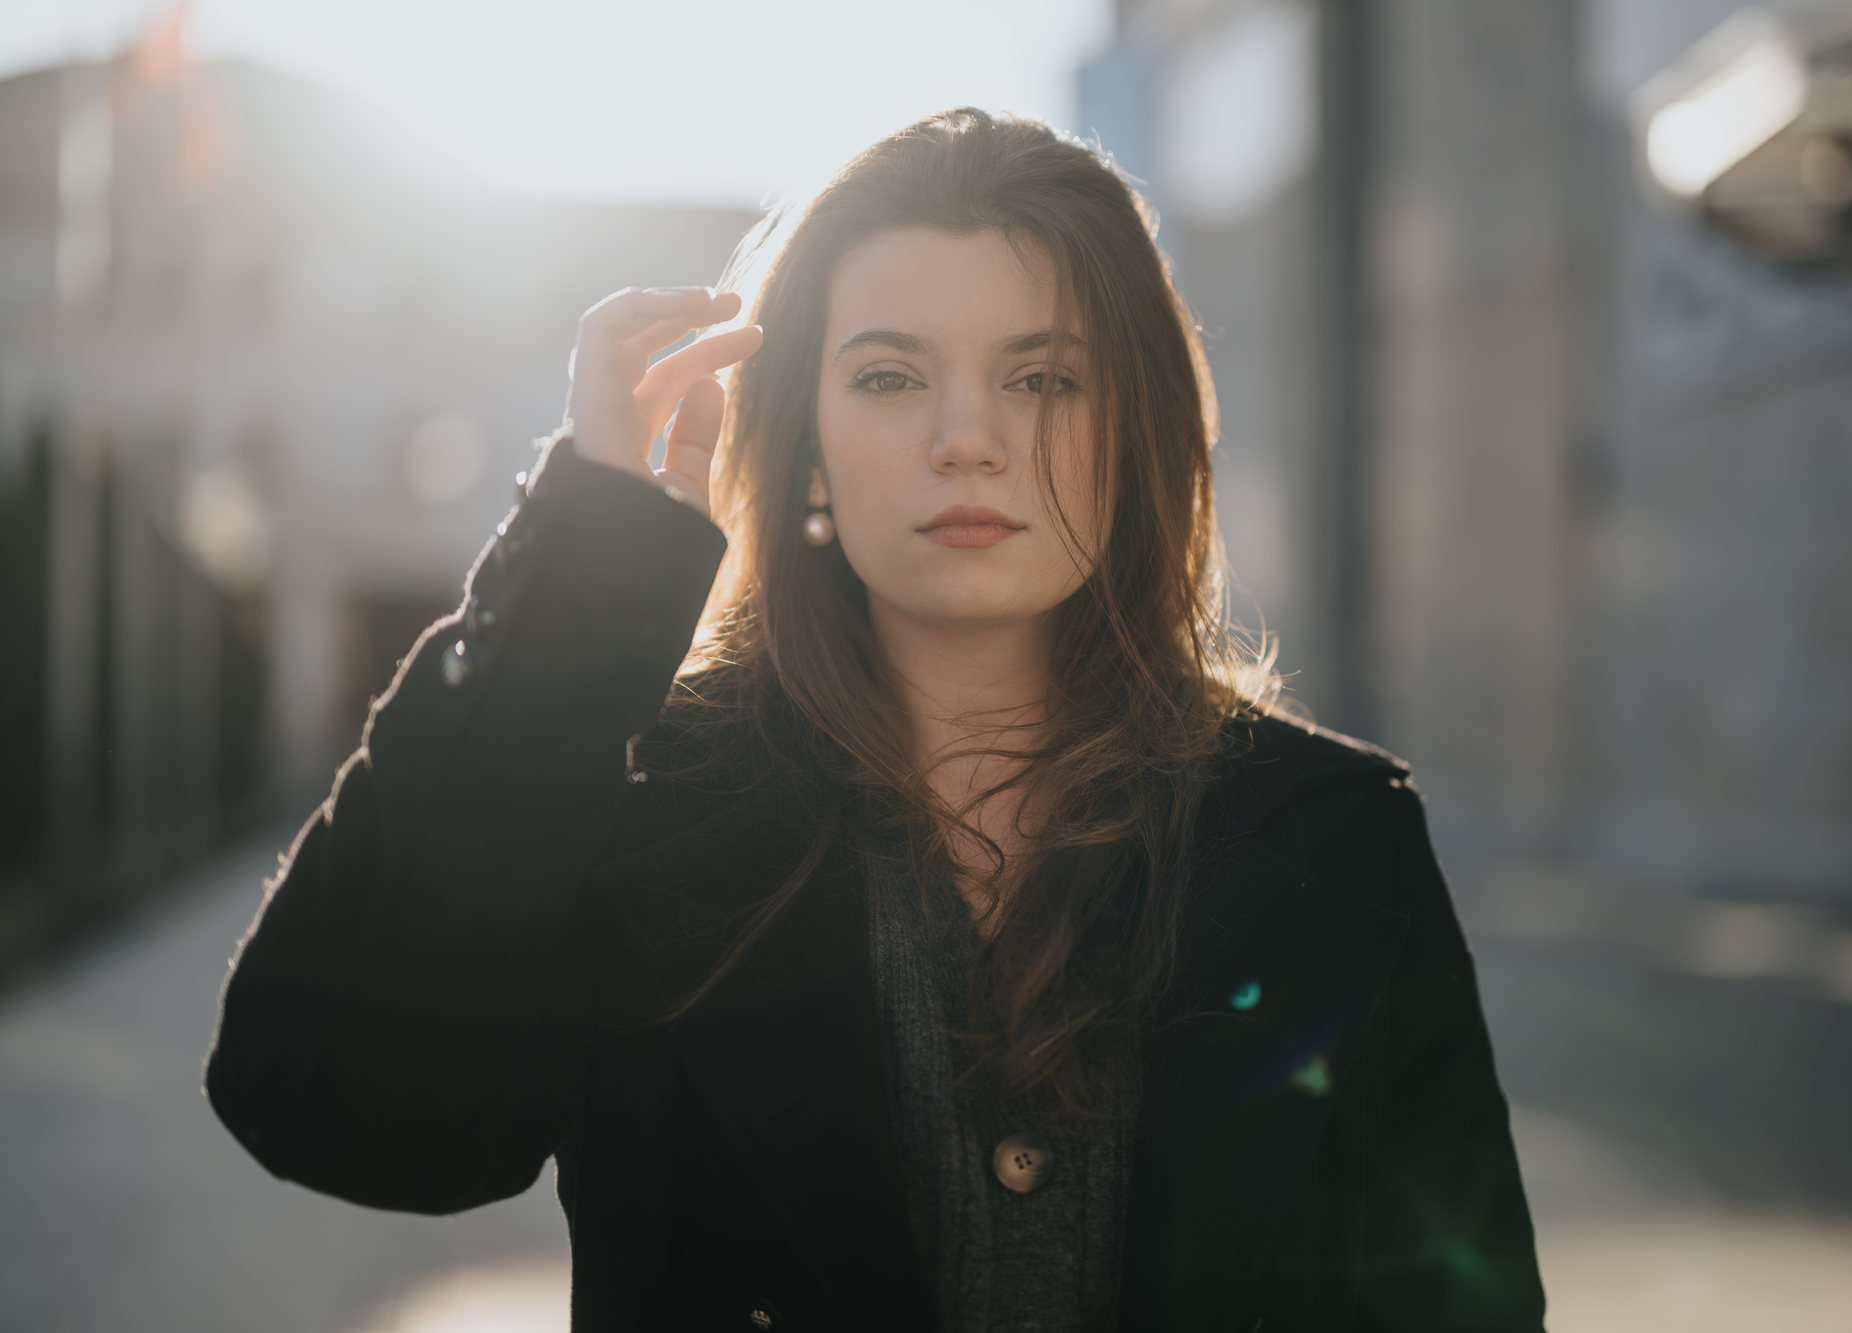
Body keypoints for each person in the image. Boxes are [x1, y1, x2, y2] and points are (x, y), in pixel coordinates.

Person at [205, 108, 1543, 1333]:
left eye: (1045, 379)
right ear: (805, 445)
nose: (968, 437)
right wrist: (581, 573)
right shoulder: (647, 816)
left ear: (1137, 432)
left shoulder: (1334, 846)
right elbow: (327, 1103)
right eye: (892, 377)